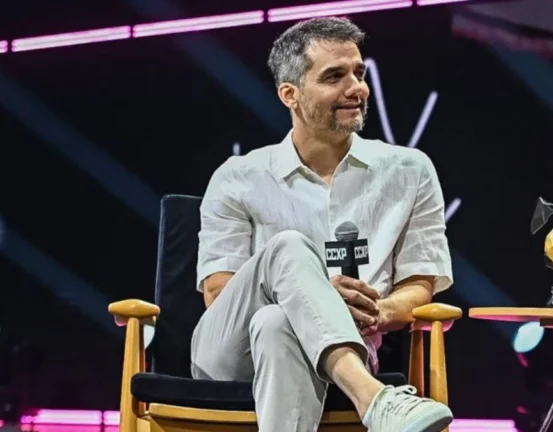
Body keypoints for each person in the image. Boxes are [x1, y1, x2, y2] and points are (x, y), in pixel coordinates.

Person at [190, 16, 454, 432]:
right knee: (288, 248)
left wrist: (377, 310)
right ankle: (374, 399)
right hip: (229, 353)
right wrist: (318, 298)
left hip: (349, 346)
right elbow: (218, 292)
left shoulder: (410, 170)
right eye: (335, 76)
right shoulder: (238, 175)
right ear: (290, 95)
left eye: (359, 73)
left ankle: (367, 392)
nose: (357, 88)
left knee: (278, 325)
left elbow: (420, 283)